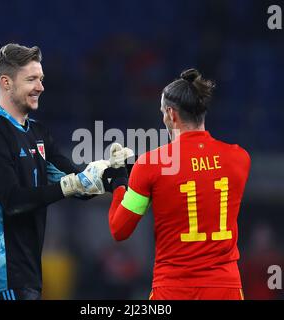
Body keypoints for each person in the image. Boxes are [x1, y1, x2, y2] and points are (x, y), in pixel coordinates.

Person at [0, 43, 127, 300]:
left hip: (28, 274)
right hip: (1, 276)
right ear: (6, 83)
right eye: (31, 79)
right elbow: (12, 201)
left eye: (41, 79)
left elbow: (79, 184)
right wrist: (69, 186)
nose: (40, 87)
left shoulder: (38, 133)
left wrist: (113, 170)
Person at [107, 68, 251, 300]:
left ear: (172, 115)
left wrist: (119, 183)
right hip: (225, 288)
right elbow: (200, 177)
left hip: (173, 289)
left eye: (162, 112)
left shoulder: (151, 165)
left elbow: (119, 229)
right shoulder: (240, 158)